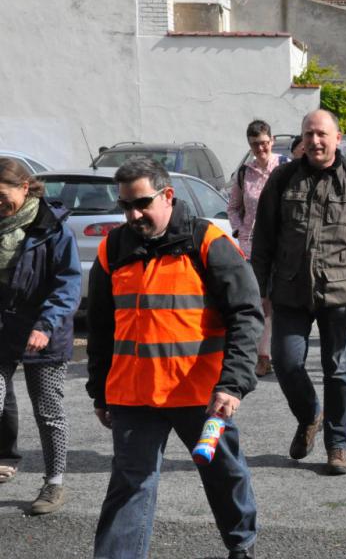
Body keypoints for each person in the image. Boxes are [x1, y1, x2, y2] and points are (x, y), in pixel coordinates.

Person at [86, 158, 263, 559]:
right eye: (126, 206)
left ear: (168, 196)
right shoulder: (112, 249)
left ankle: (241, 545)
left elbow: (246, 315)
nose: (133, 214)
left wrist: (233, 384)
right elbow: (100, 329)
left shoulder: (209, 243)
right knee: (130, 487)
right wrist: (100, 391)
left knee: (223, 474)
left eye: (142, 203)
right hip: (133, 396)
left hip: (201, 395)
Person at [251, 109, 346, 475]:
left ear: (338, 138)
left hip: (339, 293)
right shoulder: (282, 180)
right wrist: (260, 289)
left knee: (339, 371)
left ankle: (337, 444)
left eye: (322, 134)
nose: (315, 141)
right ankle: (310, 413)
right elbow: (262, 239)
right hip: (289, 291)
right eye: (309, 134)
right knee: (285, 361)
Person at [0, 159, 79, 514]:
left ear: (25, 187)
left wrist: (45, 326)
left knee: (48, 411)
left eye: (2, 196)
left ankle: (54, 483)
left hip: (44, 331)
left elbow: (68, 283)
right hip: (4, 328)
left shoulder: (52, 226)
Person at [227, 119, 289, 378]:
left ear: (272, 141)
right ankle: (263, 356)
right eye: (255, 145)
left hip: (284, 244)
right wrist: (240, 230)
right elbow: (232, 207)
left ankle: (282, 352)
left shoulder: (285, 167)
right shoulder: (244, 172)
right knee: (260, 301)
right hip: (253, 248)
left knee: (283, 300)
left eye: (264, 143)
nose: (261, 149)